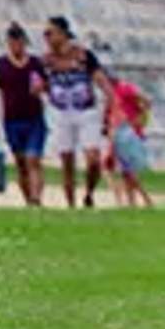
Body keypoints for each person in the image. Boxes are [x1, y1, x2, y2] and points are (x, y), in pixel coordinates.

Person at [40, 25, 104, 210]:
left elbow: (100, 78)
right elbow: (40, 83)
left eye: (50, 33)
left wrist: (111, 100)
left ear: (63, 34)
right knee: (67, 160)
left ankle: (89, 193)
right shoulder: (45, 60)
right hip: (61, 112)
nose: (47, 38)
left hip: (86, 111)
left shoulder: (84, 56)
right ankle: (71, 205)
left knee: (93, 159)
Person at [0, 27, 48, 207]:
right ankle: (28, 200)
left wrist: (41, 88)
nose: (16, 46)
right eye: (12, 42)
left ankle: (36, 199)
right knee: (21, 163)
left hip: (34, 119)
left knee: (33, 159)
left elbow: (47, 86)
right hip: (12, 120)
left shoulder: (35, 63)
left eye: (19, 42)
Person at [103, 65, 155, 208]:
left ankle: (134, 200)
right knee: (124, 171)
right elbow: (109, 113)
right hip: (117, 132)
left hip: (125, 132)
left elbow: (146, 103)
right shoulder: (111, 93)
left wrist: (139, 121)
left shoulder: (124, 89)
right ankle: (133, 202)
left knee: (117, 169)